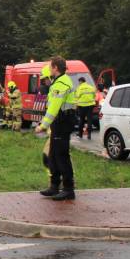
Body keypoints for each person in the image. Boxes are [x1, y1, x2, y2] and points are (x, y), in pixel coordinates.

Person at [35, 56, 77, 201]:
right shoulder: (59, 82)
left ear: (56, 68)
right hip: (59, 122)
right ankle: (54, 186)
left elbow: (53, 108)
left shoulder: (61, 83)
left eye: (51, 66)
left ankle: (68, 189)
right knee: (53, 154)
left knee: (61, 155)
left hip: (63, 122)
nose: (50, 69)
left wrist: (43, 126)